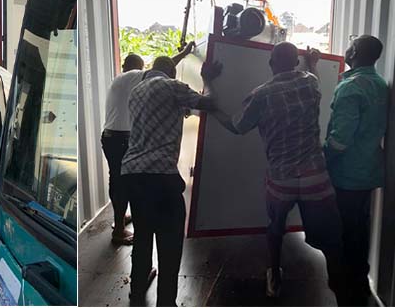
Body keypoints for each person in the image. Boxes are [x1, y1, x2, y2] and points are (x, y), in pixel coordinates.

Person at [210, 43, 346, 302]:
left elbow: (236, 126)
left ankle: (274, 276)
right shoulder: (310, 84)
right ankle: (337, 284)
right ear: (296, 63)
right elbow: (315, 77)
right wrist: (314, 63)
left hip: (280, 177)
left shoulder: (261, 94)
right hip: (314, 175)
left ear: (271, 63)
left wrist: (211, 107)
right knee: (328, 234)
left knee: (276, 226)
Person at [121, 56, 220, 306]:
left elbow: (171, 113)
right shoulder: (171, 86)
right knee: (170, 243)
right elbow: (208, 103)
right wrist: (208, 79)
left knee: (142, 236)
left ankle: (137, 288)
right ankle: (166, 300)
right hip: (161, 176)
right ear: (172, 73)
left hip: (133, 173)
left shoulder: (136, 92)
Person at [102, 43, 195, 245]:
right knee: (124, 185)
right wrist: (184, 53)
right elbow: (161, 71)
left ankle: (119, 220)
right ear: (139, 67)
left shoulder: (120, 79)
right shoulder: (138, 76)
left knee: (116, 181)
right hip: (122, 138)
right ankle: (119, 231)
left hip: (109, 137)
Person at [324, 35, 388, 303]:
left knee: (344, 229)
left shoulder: (351, 88)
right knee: (359, 226)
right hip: (369, 170)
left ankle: (344, 287)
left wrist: (320, 159)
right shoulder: (379, 83)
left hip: (347, 173)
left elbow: (340, 140)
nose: (347, 48)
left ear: (355, 53)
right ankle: (359, 279)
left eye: (351, 45)